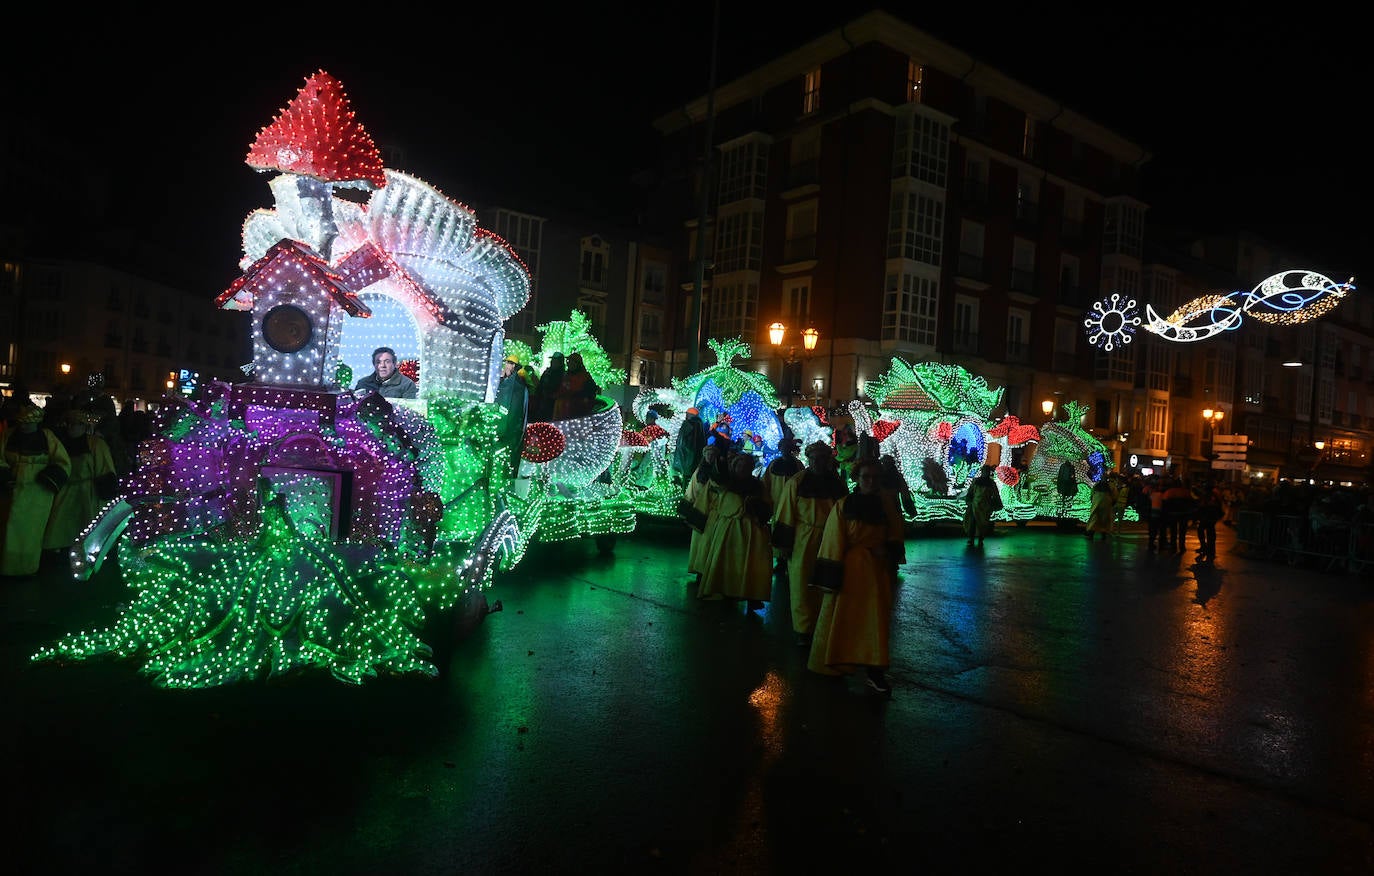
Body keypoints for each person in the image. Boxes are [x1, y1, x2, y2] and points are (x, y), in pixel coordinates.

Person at [807, 458, 904, 695]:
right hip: (850, 570)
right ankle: (839, 661)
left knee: (874, 620)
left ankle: (874, 671)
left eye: (875, 477)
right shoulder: (844, 505)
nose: (870, 482)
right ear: (857, 479)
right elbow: (833, 540)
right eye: (866, 477)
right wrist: (831, 575)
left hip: (876, 571)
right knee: (845, 616)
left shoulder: (886, 504)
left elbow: (896, 532)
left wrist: (888, 551)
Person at [772, 440, 849, 646]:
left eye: (822, 458)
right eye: (814, 458)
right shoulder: (797, 482)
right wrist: (784, 545)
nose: (818, 462)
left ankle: (824, 626)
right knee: (801, 583)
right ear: (809, 459)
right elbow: (786, 511)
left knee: (827, 582)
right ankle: (803, 630)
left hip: (830, 539)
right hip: (803, 538)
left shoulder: (837, 483)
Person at [696, 450, 773, 613]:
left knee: (752, 564)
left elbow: (767, 506)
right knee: (726, 560)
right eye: (740, 465)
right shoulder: (726, 482)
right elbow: (715, 481)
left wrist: (756, 507)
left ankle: (751, 594)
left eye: (746, 466)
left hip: (751, 529)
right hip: (729, 526)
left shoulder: (758, 486)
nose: (743, 469)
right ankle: (724, 590)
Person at [0, 402, 72, 577]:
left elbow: (62, 462)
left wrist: (50, 478)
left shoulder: (48, 437)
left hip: (38, 493)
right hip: (12, 490)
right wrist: (4, 476)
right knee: (7, 529)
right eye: (22, 423)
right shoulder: (9, 435)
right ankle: (7, 566)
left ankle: (27, 567)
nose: (24, 426)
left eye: (28, 423)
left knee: (32, 531)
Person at [43, 407, 119, 554]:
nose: (71, 427)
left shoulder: (96, 444)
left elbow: (105, 466)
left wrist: (105, 488)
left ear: (84, 426)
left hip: (87, 492)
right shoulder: (60, 443)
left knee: (87, 524)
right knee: (60, 523)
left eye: (76, 424)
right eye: (69, 423)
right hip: (65, 491)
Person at [762, 437, 805, 577]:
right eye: (783, 447)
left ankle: (788, 559)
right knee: (778, 528)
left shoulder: (798, 465)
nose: (785, 450)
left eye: (788, 447)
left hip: (793, 505)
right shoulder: (774, 465)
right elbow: (766, 483)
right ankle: (780, 560)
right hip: (777, 502)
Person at [494, 353, 530, 475]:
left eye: (512, 364)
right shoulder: (501, 381)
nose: (509, 366)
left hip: (510, 426)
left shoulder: (519, 387)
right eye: (508, 363)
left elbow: (518, 410)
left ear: (516, 367)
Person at [963, 463, 1002, 547]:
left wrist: (996, 504)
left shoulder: (991, 483)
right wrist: (969, 500)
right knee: (973, 522)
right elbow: (971, 491)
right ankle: (972, 538)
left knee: (983, 523)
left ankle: (980, 538)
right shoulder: (976, 481)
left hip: (985, 506)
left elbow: (995, 494)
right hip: (975, 505)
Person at [552, 351, 598, 420]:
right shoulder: (566, 375)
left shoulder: (585, 376)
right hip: (562, 410)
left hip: (577, 411)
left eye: (572, 362)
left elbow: (591, 391)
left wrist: (575, 395)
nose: (569, 364)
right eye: (569, 362)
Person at [672, 407, 707, 487]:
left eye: (687, 414)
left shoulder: (687, 424)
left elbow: (682, 441)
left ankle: (685, 494)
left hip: (686, 454)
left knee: (685, 474)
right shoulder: (700, 424)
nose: (686, 415)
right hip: (695, 455)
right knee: (691, 476)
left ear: (690, 414)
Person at [1194, 478, 1224, 562]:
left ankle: (1206, 547)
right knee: (1209, 531)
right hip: (1211, 514)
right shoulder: (1213, 493)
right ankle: (1208, 548)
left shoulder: (1211, 494)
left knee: (1204, 530)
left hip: (1208, 514)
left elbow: (1204, 503)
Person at [529, 352, 564, 421]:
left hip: (554, 404)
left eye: (555, 361)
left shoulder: (563, 375)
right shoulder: (547, 372)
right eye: (553, 360)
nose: (553, 362)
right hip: (543, 401)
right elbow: (540, 385)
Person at [1085, 475, 1116, 541]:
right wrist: (1113, 501)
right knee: (1104, 518)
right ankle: (1103, 534)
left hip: (1096, 500)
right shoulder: (1111, 485)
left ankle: (1091, 532)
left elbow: (1092, 492)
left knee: (1094, 517)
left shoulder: (1097, 484)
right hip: (1106, 501)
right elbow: (1114, 494)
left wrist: (1092, 499)